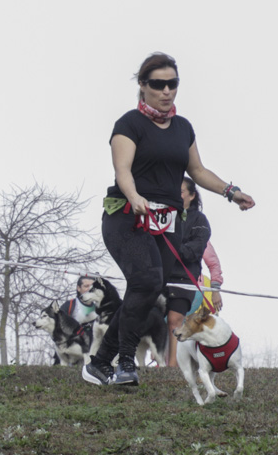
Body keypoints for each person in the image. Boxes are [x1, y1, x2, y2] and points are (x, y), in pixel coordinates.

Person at [82, 53, 255, 387]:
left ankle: (100, 362)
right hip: (127, 215)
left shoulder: (183, 128)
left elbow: (198, 170)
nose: (166, 91)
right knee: (145, 281)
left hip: (167, 221)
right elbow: (122, 171)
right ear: (143, 86)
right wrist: (134, 197)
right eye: (158, 84)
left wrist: (231, 192)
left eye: (172, 84)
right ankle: (126, 363)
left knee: (148, 290)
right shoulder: (128, 125)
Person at [165, 177, 224, 367]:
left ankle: (176, 364)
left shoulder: (199, 222)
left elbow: (212, 262)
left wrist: (215, 289)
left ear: (192, 196)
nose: (176, 194)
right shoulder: (164, 216)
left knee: (178, 322)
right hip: (162, 277)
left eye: (181, 191)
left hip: (190, 284)